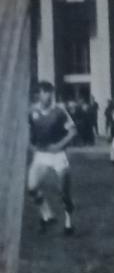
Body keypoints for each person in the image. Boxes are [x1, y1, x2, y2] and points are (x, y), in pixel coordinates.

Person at [28, 81, 77, 235]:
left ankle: (69, 223)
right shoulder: (32, 111)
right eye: (45, 92)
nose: (48, 96)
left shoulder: (59, 111)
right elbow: (28, 131)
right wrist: (31, 145)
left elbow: (73, 131)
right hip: (41, 155)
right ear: (39, 94)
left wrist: (59, 145)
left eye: (50, 92)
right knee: (32, 187)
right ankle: (47, 214)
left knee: (64, 191)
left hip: (58, 155)